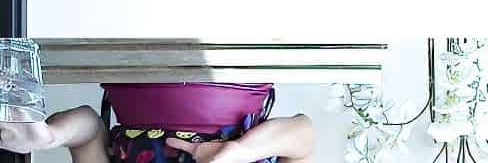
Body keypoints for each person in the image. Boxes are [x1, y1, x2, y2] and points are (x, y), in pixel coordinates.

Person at [0, 82, 314, 163]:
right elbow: (302, 135)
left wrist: (51, 136)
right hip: (233, 70)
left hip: (136, 65)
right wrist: (238, 152)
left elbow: (89, 131)